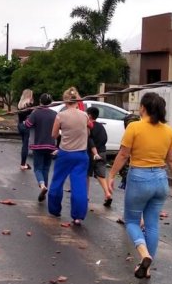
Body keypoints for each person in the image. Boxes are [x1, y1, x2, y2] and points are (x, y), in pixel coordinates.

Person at [106, 92, 172, 280]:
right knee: (152, 225)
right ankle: (147, 268)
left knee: (132, 221)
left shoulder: (134, 127)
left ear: (143, 108)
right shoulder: (169, 131)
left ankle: (144, 255)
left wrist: (111, 175)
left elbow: (124, 154)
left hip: (139, 177)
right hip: (161, 179)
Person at [50, 87, 91, 225]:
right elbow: (87, 132)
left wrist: (63, 130)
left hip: (65, 153)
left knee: (58, 181)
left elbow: (54, 135)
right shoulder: (84, 115)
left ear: (65, 100)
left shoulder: (61, 116)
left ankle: (55, 210)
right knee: (79, 185)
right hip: (81, 154)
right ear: (77, 100)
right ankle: (78, 216)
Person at [24, 93, 57, 201]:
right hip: (51, 145)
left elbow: (28, 125)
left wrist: (26, 120)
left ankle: (42, 186)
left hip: (38, 145)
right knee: (46, 168)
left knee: (38, 168)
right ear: (50, 102)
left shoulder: (36, 112)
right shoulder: (55, 114)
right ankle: (44, 188)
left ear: (40, 101)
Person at [86, 107, 111, 207]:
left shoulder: (89, 127)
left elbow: (89, 139)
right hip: (102, 152)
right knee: (101, 176)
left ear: (90, 116)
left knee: (86, 175)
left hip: (91, 153)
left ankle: (86, 195)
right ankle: (107, 193)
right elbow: (105, 138)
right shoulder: (101, 126)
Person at [17, 89, 35, 170]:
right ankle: (23, 164)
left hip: (20, 125)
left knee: (24, 144)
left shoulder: (20, 104)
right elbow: (32, 116)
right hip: (26, 126)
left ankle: (23, 163)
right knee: (25, 145)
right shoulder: (29, 105)